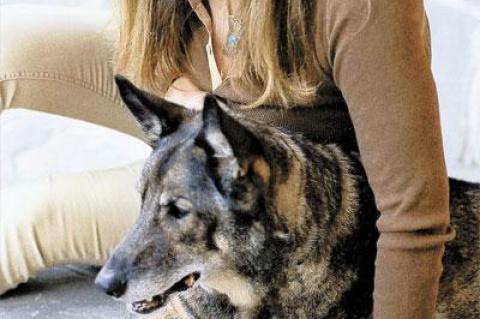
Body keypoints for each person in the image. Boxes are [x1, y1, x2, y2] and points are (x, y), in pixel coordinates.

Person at [0, 1, 456, 318]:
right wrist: (179, 91)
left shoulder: (365, 9)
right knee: (6, 46)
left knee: (27, 219)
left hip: (237, 200)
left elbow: (413, 218)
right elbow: (146, 62)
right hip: (179, 120)